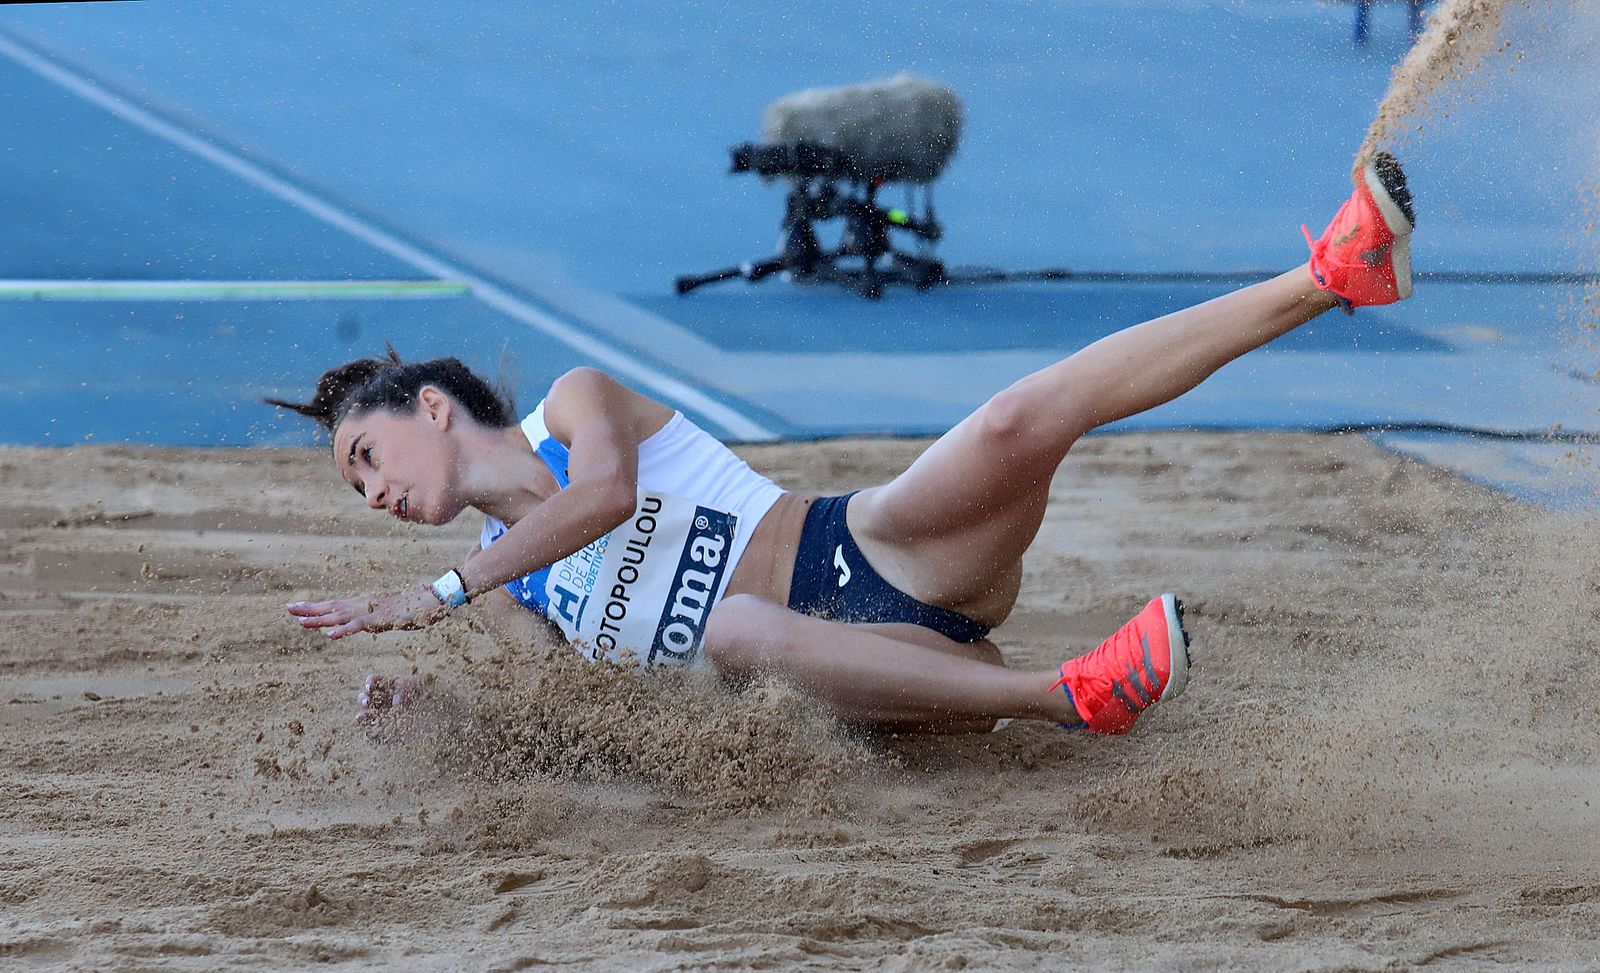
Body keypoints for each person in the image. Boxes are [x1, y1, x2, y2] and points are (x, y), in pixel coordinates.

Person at [275, 154, 1416, 737]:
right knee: (724, 630)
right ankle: (1061, 698)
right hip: (838, 699)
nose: (370, 492)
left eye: (365, 456)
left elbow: (608, 498)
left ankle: (1327, 276)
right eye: (354, 486)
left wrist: (445, 590)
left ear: (430, 407)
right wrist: (445, 719)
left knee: (1021, 418)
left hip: (867, 553)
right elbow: (576, 724)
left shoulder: (573, 409)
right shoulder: (515, 597)